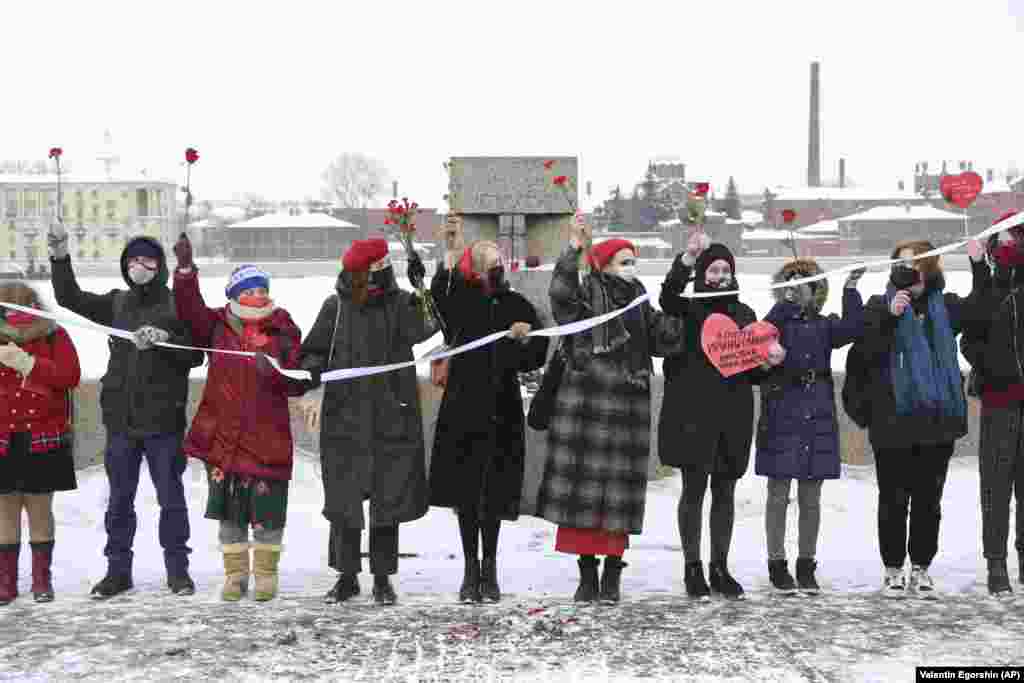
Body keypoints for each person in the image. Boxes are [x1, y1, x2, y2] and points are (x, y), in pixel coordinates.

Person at [48, 224, 204, 599]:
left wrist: (165, 341)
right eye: (133, 259)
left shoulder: (177, 304)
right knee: (119, 501)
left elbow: (197, 355)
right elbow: (69, 296)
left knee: (172, 500)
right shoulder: (116, 303)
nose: (139, 265)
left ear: (159, 265)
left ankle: (178, 572)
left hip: (164, 422)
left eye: (147, 259)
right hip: (121, 422)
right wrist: (59, 255)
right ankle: (117, 571)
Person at [535, 222, 683, 604]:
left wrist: (686, 303)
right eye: (623, 260)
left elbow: (664, 338)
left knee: (619, 497)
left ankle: (613, 573)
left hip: (628, 407)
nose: (631, 266)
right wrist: (572, 248)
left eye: (633, 260)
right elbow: (560, 296)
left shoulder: (639, 298)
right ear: (604, 264)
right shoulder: (586, 292)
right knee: (583, 497)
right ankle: (587, 574)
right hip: (585, 403)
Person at [172, 234, 315, 601]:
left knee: (268, 511)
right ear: (234, 295)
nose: (257, 296)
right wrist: (186, 272)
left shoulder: (282, 328)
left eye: (261, 289)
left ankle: (266, 575)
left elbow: (299, 379)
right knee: (230, 512)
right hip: (223, 437)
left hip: (267, 436)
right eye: (248, 290)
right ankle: (235, 576)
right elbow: (188, 308)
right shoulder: (216, 326)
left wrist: (277, 373)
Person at [299, 238, 436, 605]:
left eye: (382, 271)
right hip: (345, 418)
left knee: (387, 502)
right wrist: (314, 371)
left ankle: (382, 578)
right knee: (344, 502)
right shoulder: (336, 307)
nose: (377, 279)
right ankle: (346, 577)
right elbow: (313, 350)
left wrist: (423, 287)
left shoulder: (401, 304)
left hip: (393, 416)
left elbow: (427, 326)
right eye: (370, 273)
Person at [859, 238, 986, 598]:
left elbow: (980, 310)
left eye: (916, 263)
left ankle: (922, 566)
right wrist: (889, 316)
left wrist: (978, 265)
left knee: (929, 499)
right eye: (901, 263)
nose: (908, 269)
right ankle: (893, 567)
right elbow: (865, 352)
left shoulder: (944, 307)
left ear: (930, 268)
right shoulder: (877, 306)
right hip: (892, 420)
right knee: (893, 498)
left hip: (936, 420)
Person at [429, 228, 549, 603]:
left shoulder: (515, 303)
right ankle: (469, 569)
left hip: (502, 407)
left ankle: (491, 568)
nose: (494, 267)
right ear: (473, 269)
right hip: (463, 405)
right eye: (486, 262)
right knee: (466, 494)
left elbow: (536, 353)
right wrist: (448, 251)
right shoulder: (460, 301)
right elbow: (439, 300)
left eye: (497, 261)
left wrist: (527, 338)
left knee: (494, 493)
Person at [658, 233, 766, 599]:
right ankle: (693, 567)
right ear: (702, 274)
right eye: (713, 269)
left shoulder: (745, 314)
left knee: (725, 491)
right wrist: (686, 259)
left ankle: (720, 566)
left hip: (733, 414)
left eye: (726, 269)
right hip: (692, 413)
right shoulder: (687, 308)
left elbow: (754, 371)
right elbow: (667, 297)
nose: (720, 275)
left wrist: (770, 362)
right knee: (693, 490)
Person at [755, 259, 865, 594]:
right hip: (781, 408)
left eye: (807, 284)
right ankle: (777, 564)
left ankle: (806, 564)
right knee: (777, 493)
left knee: (811, 495)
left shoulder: (825, 325)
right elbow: (760, 334)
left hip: (816, 410)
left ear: (818, 291)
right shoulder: (777, 320)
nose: (800, 289)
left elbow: (852, 329)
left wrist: (850, 291)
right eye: (793, 283)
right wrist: (786, 303)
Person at [0, 282, 81, 604]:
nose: (18, 314)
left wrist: (30, 365)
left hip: (43, 435)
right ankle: (6, 582)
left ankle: (41, 580)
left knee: (39, 509)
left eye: (24, 306)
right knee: (5, 511)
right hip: (3, 436)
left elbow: (70, 375)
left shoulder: (54, 335)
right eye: (10, 308)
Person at [959, 211, 1024, 595]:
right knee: (996, 486)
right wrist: (997, 368)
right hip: (1000, 401)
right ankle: (996, 563)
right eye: (1003, 239)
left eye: (1014, 237)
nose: (1009, 244)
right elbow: (968, 340)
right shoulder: (987, 285)